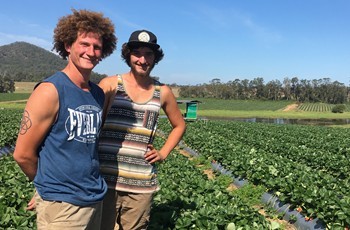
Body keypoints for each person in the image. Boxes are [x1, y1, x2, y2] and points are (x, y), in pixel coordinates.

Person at [13, 9, 117, 229]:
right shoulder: (50, 90)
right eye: (84, 44)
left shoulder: (97, 94)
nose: (91, 52)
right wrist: (46, 187)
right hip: (63, 206)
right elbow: (22, 154)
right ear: (68, 45)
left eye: (97, 47)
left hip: (94, 197)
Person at [98, 29, 186, 230]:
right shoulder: (110, 85)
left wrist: (163, 153)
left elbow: (179, 125)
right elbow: (92, 127)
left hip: (141, 184)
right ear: (128, 55)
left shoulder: (162, 92)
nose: (142, 59)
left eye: (149, 54)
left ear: (155, 58)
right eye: (137, 53)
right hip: (105, 179)